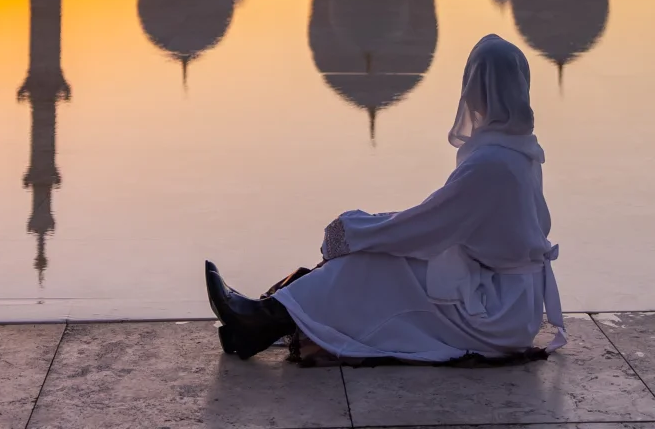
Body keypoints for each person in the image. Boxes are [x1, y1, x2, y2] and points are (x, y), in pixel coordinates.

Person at [205, 33, 566, 363]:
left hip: (496, 313)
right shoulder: (519, 149)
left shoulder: (492, 163)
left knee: (373, 262)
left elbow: (427, 227)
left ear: (478, 89)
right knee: (385, 256)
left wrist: (355, 231)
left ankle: (261, 320)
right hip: (511, 302)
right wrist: (370, 228)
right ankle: (259, 323)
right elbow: (442, 221)